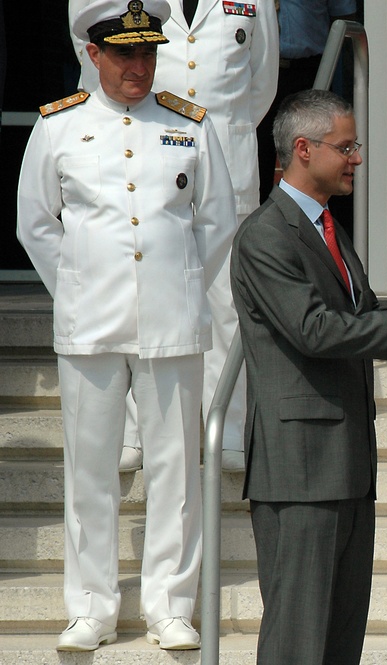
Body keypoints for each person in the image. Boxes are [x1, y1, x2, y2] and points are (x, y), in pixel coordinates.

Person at [17, 0, 237, 652]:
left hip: (172, 319)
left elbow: (217, 222)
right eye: (123, 54)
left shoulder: (187, 125)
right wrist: (78, 289)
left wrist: (183, 285)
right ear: (94, 54)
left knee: (175, 465)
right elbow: (35, 223)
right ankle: (92, 607)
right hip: (90, 323)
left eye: (146, 52)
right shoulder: (59, 127)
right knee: (89, 469)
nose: (137, 66)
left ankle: (171, 602)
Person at [230, 89, 387, 665]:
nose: (357, 157)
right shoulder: (267, 234)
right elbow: (315, 330)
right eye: (347, 146)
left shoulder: (324, 227)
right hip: (300, 471)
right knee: (297, 639)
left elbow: (355, 317)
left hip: (345, 463)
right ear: (304, 150)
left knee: (339, 639)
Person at [68, 0, 279, 472]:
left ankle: (225, 430)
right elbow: (98, 65)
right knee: (132, 291)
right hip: (145, 158)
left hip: (226, 156)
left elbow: (262, 83)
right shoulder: (129, 8)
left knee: (228, 298)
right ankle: (134, 431)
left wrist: (221, 129)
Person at [256, 0, 357, 202]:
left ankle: (318, 225)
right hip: (258, 72)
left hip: (309, 70)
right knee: (256, 157)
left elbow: (346, 18)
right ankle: (258, 227)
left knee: (318, 153)